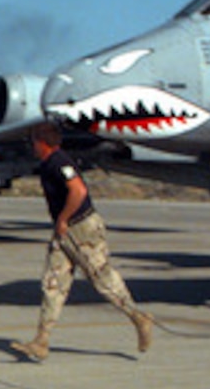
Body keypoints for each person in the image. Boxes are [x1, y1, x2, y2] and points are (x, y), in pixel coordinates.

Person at [11, 126, 153, 360]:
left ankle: (139, 317)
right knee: (53, 283)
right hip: (64, 231)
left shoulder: (59, 162)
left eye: (33, 141)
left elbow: (78, 191)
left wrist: (64, 220)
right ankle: (41, 341)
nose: (31, 147)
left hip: (80, 228)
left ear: (42, 142)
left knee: (102, 279)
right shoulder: (49, 164)